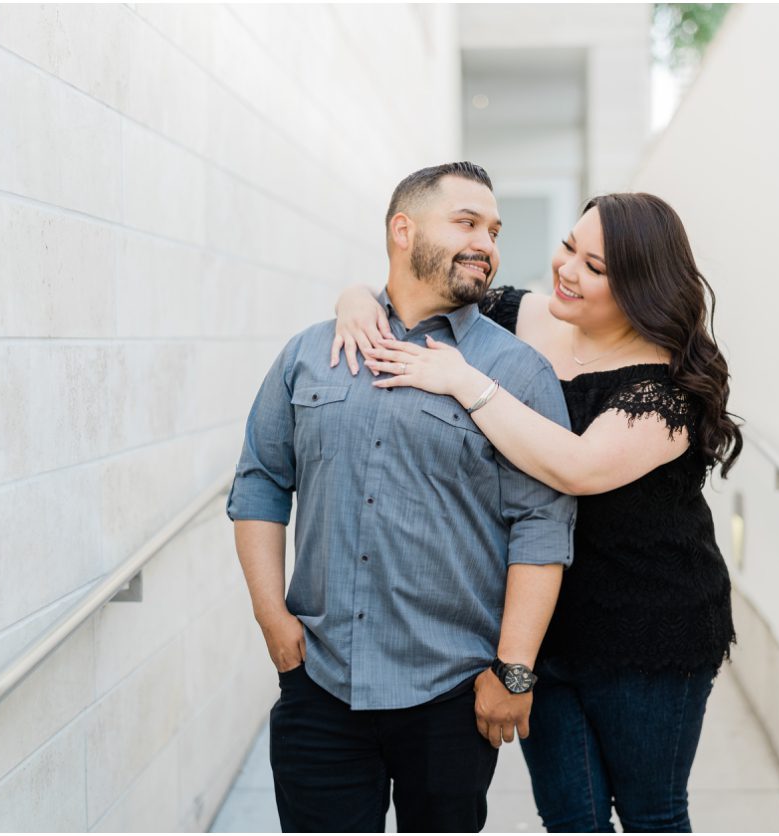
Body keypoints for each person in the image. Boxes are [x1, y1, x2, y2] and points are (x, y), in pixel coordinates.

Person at [333, 192, 741, 833]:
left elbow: (575, 467)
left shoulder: (669, 390)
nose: (567, 270)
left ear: (641, 285)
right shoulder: (521, 315)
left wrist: (465, 382)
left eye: (596, 267)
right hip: (540, 623)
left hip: (650, 629)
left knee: (652, 813)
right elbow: (414, 285)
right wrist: (355, 300)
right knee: (569, 816)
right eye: (569, 246)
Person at [226, 161, 576, 833]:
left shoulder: (514, 372)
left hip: (450, 693)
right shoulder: (310, 353)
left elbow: (541, 522)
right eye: (467, 223)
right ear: (402, 229)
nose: (487, 244)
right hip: (320, 683)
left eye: (494, 231)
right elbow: (261, 480)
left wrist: (514, 671)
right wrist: (273, 619)